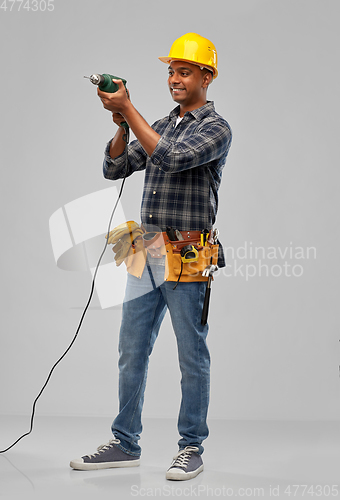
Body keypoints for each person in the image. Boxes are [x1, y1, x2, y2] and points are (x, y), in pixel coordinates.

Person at [70, 33, 232, 481]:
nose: (174, 79)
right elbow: (115, 168)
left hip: (190, 254)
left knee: (191, 355)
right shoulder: (158, 121)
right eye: (170, 71)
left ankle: (191, 446)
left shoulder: (215, 129)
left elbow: (174, 157)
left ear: (206, 76)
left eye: (183, 71)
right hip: (149, 250)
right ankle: (125, 441)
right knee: (131, 350)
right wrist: (122, 121)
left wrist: (130, 109)